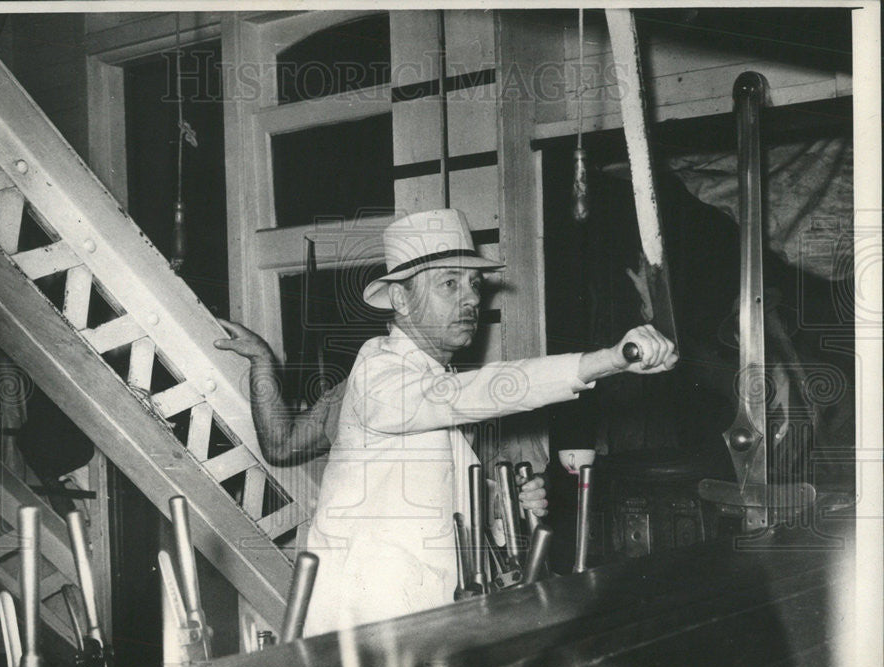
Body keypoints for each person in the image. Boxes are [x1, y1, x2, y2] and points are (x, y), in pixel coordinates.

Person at [217, 208, 677, 635]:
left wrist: (505, 505)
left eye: (474, 285)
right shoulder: (379, 372)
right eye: (449, 284)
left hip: (428, 609)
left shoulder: (432, 380)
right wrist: (607, 360)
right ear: (400, 298)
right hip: (370, 614)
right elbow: (474, 392)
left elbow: (441, 493)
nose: (471, 299)